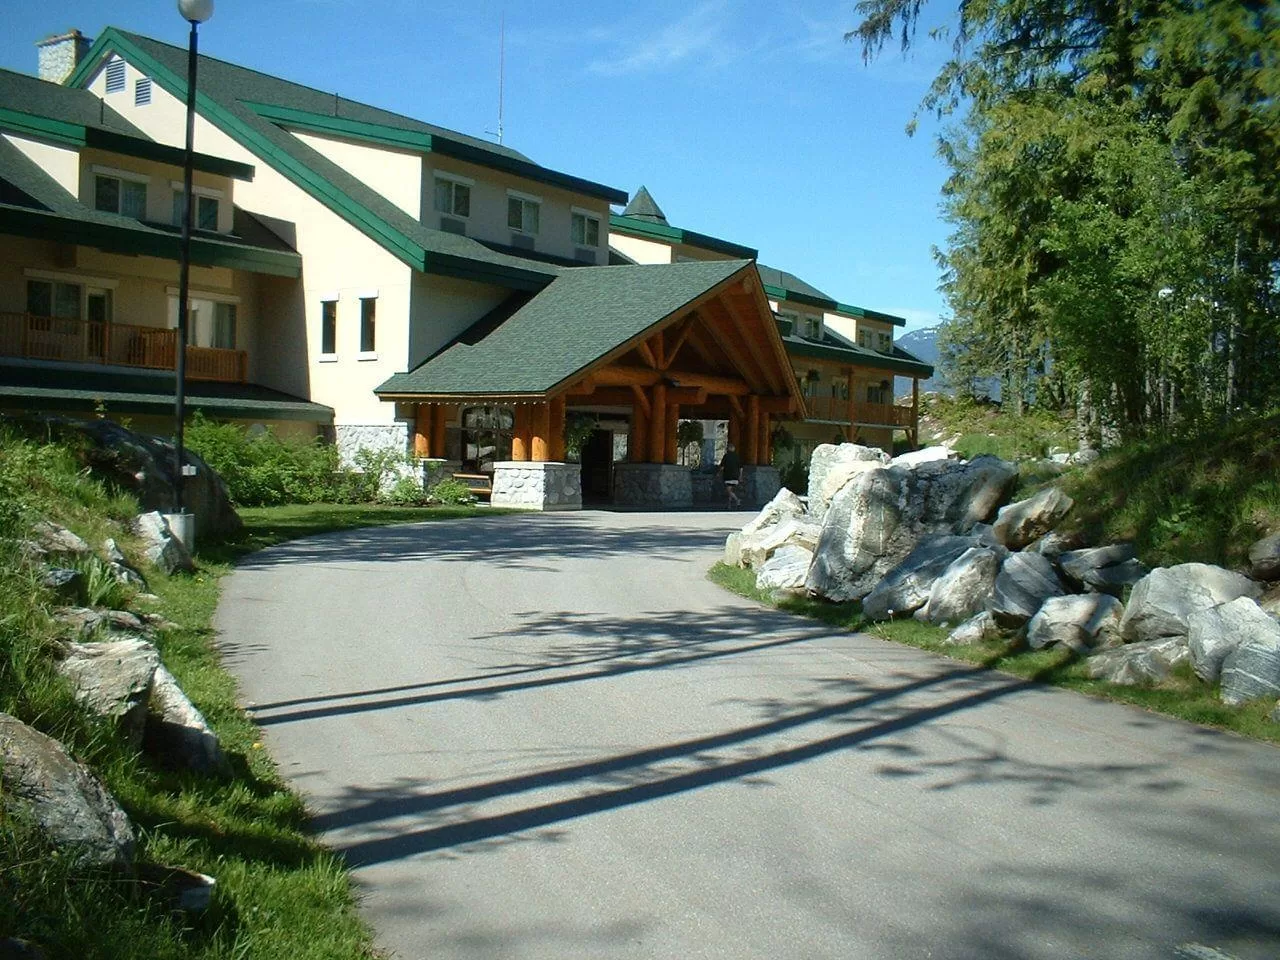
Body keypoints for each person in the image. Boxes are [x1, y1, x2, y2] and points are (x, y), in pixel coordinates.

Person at [719, 442, 742, 508]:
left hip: (728, 475)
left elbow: (722, 467)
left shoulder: (726, 456)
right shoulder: (737, 456)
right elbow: (741, 467)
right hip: (736, 475)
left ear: (728, 449)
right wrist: (740, 476)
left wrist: (719, 473)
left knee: (728, 490)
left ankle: (737, 500)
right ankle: (729, 505)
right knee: (731, 490)